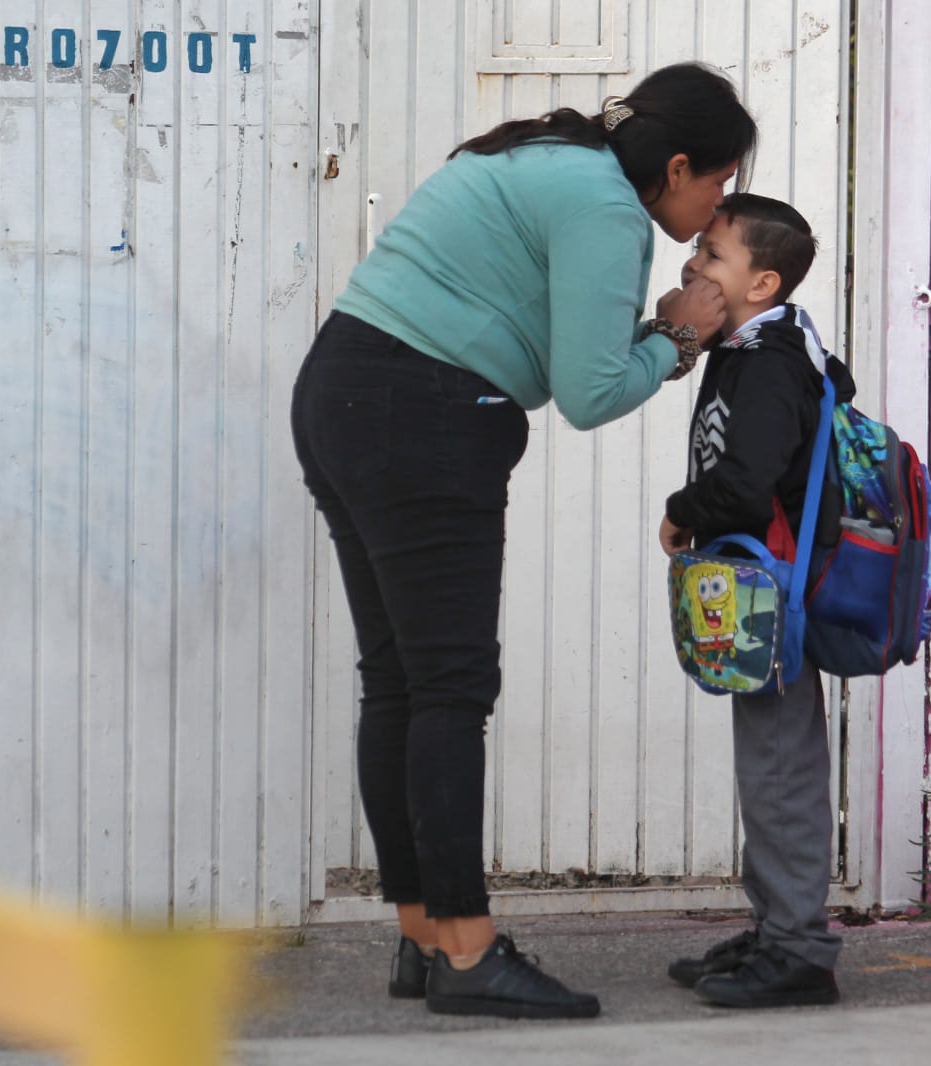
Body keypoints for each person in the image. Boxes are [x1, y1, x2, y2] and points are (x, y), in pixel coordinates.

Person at [290, 63, 756, 1020]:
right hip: (425, 418)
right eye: (720, 182)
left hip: (345, 388)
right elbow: (587, 395)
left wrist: (654, 333)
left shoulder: (550, 156)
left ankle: (423, 935)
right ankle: (468, 952)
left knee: (403, 679)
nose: (720, 204)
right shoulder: (607, 207)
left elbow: (557, 348)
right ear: (676, 165)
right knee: (453, 687)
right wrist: (681, 340)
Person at [658, 193, 856, 1009]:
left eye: (712, 255)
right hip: (757, 588)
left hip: (776, 588)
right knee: (767, 760)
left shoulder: (771, 361)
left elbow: (745, 482)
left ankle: (799, 949)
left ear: (762, 283)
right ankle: (778, 927)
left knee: (779, 767)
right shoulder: (750, 345)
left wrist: (683, 511)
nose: (693, 263)